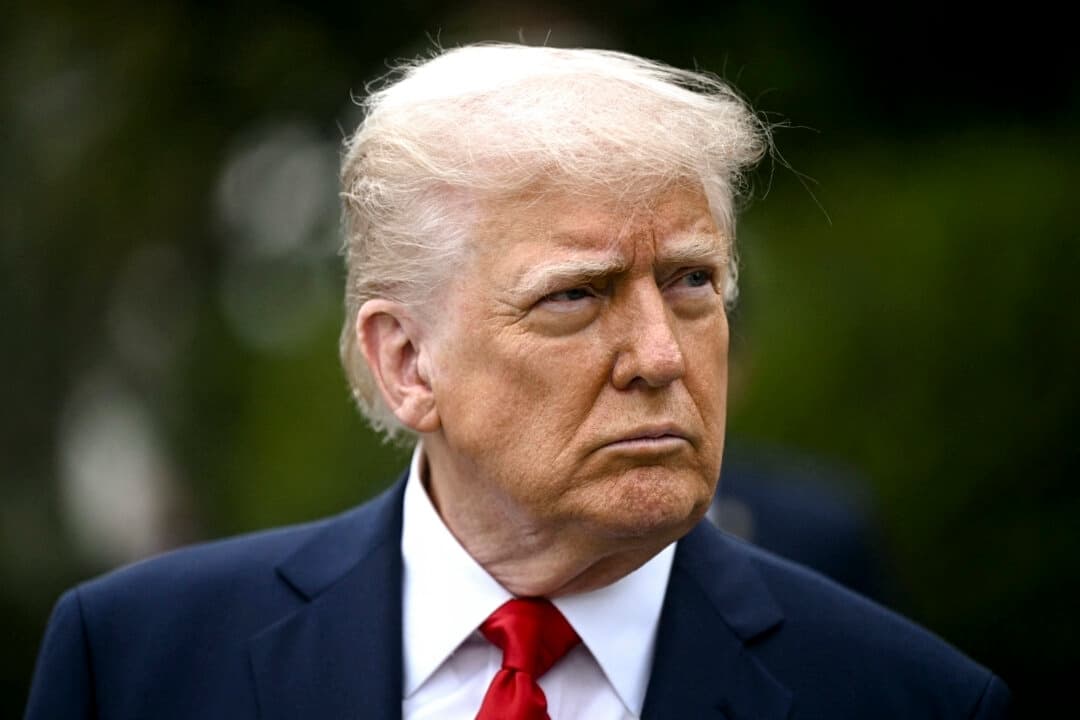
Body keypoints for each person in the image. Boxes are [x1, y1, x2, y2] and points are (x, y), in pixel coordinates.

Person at [25, 43, 1009, 719]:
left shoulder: (909, 698)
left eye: (692, 282)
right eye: (576, 297)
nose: (661, 357)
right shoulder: (138, 661)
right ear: (407, 361)